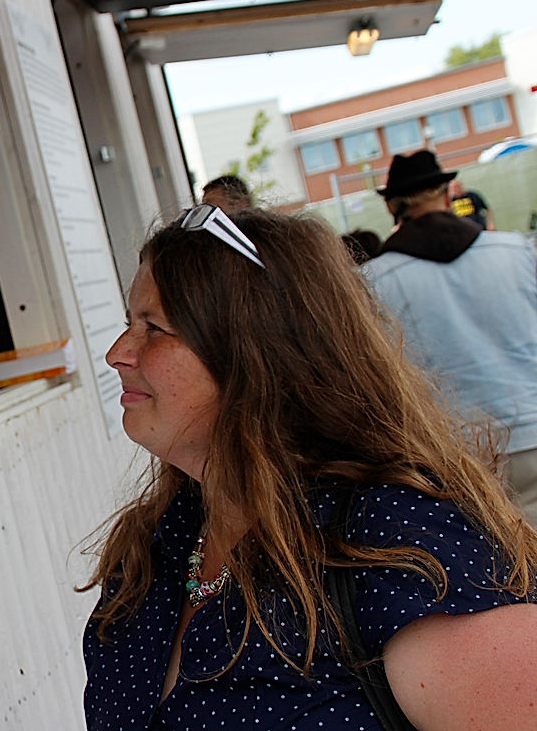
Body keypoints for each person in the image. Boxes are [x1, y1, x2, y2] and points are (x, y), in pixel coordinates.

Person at [81, 204, 537, 729]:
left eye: (154, 328)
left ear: (258, 353)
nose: (119, 353)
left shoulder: (391, 540)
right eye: (126, 325)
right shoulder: (156, 546)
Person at [366, 150, 537, 524]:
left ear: (392, 206)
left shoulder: (374, 281)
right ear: (447, 194)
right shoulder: (515, 249)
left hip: (459, 453)